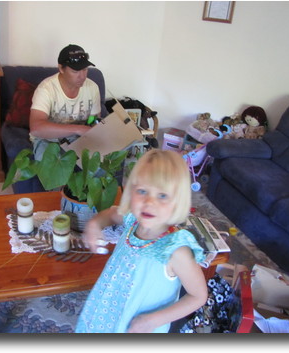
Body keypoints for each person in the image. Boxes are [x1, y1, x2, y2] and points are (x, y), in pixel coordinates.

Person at [75, 149, 208, 333]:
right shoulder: (132, 220)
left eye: (162, 195)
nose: (148, 202)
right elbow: (111, 215)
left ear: (178, 202)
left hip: (139, 328)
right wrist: (94, 225)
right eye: (142, 191)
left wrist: (151, 321)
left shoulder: (175, 250)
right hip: (106, 312)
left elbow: (198, 296)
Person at [28, 44, 101, 162]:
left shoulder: (92, 87)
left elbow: (93, 118)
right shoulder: (46, 89)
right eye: (75, 71)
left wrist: (94, 125)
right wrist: (77, 129)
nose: (82, 76)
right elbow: (36, 128)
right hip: (48, 139)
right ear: (61, 68)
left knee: (99, 165)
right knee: (50, 166)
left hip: (79, 138)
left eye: (85, 69)